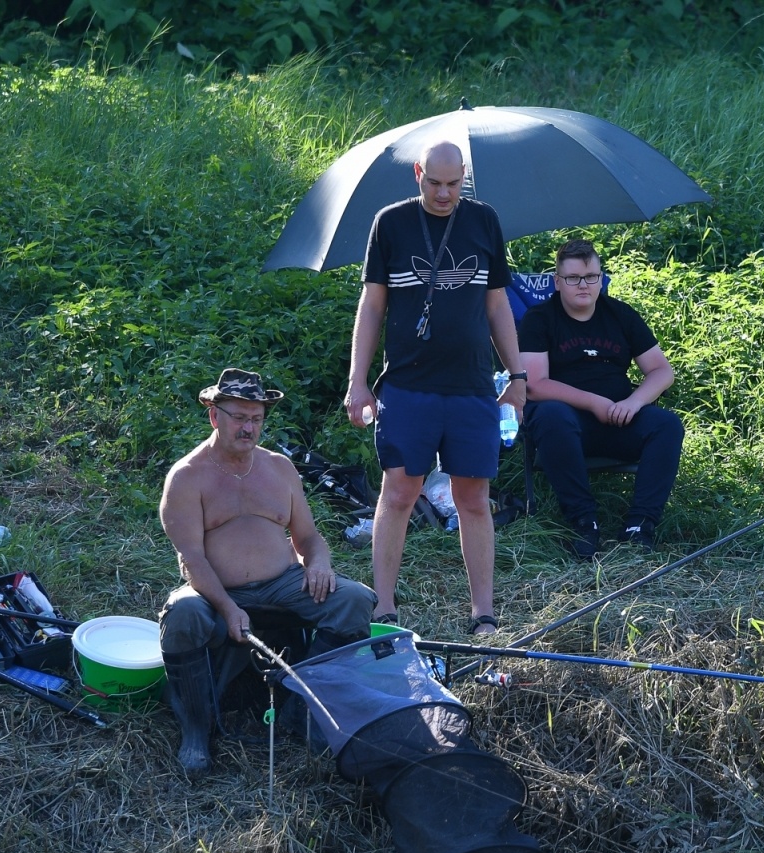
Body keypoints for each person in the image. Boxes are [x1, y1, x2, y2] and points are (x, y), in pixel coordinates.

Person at [344, 141, 525, 637]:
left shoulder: (484, 220)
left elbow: (497, 307)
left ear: (464, 176)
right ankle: (383, 609)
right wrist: (358, 382)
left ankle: (483, 614)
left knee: (473, 497)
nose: (444, 194)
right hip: (407, 385)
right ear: (418, 174)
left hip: (469, 388)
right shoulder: (391, 222)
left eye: (453, 184)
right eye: (434, 183)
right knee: (399, 492)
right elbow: (373, 306)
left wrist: (517, 377)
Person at [158, 368, 375, 773]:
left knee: (355, 599)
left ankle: (300, 708)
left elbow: (308, 537)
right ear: (214, 416)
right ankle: (196, 729)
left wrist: (320, 563)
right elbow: (191, 559)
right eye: (239, 417)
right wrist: (226, 608)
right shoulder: (187, 477)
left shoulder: (279, 469)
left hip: (283, 582)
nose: (248, 427)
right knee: (183, 614)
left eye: (256, 419)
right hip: (214, 589)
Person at [517, 238, 685, 556]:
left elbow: (662, 371)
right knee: (551, 415)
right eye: (573, 278)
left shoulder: (620, 315)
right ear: (557, 281)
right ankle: (584, 522)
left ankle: (640, 526)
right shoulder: (540, 319)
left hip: (619, 417)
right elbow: (535, 384)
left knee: (666, 425)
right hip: (566, 426)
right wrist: (594, 402)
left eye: (591, 276)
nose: (584, 285)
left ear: (600, 277)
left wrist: (634, 402)